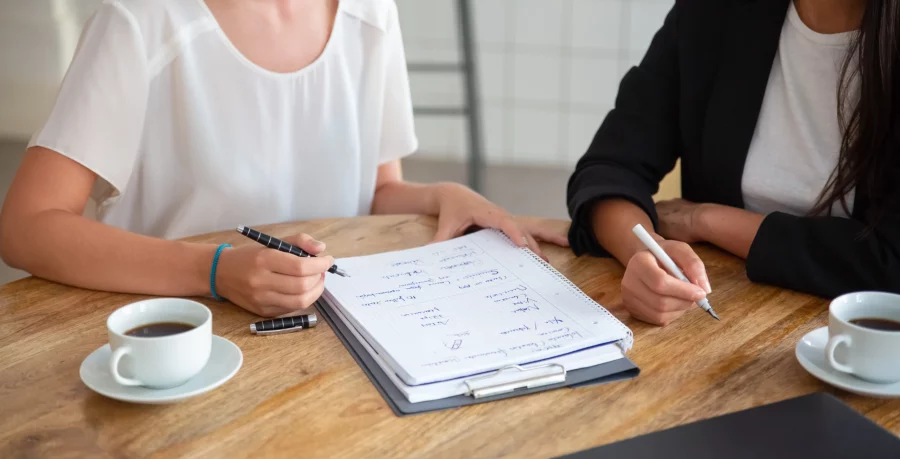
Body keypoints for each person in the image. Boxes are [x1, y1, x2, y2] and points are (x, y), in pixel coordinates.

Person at [0, 0, 567, 317]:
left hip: (330, 337)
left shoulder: (371, 15)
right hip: (176, 339)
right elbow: (26, 229)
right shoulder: (141, 20)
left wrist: (443, 195)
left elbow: (369, 194)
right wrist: (215, 271)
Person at [567, 0, 899, 325]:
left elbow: (890, 263)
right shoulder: (715, 10)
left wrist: (707, 220)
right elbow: (610, 168)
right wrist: (644, 254)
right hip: (721, 324)